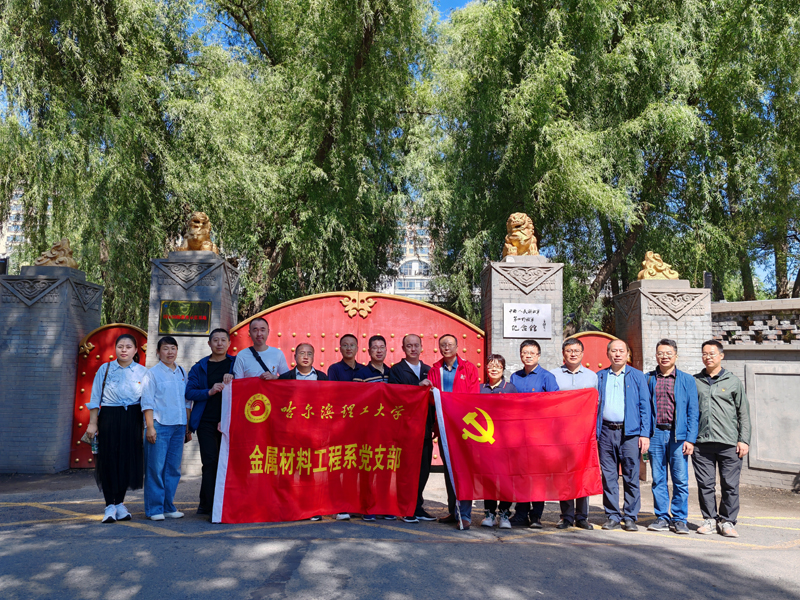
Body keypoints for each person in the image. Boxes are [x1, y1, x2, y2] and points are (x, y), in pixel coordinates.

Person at [85, 334, 147, 523]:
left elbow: (147, 401)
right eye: (120, 346)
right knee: (109, 460)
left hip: (133, 418)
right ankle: (109, 506)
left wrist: (148, 425)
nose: (124, 350)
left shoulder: (143, 372)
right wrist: (93, 423)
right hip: (109, 417)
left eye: (128, 346)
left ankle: (120, 503)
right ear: (115, 349)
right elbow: (95, 397)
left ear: (135, 350)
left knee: (127, 460)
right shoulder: (105, 369)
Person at [692, 340, 751, 538]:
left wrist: (744, 439)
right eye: (704, 354)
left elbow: (743, 413)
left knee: (730, 485)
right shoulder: (695, 381)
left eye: (712, 353)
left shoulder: (733, 381)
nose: (707, 357)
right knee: (705, 484)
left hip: (729, 443)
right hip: (702, 443)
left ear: (721, 356)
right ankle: (709, 519)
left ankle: (727, 521)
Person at [596, 339, 652, 532]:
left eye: (621, 351)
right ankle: (612, 515)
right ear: (608, 354)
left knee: (631, 475)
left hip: (630, 434)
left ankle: (630, 516)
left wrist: (644, 434)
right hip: (606, 432)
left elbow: (645, 407)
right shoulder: (600, 376)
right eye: (614, 351)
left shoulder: (637, 376)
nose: (618, 354)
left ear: (627, 354)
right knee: (609, 476)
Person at [644, 339, 699, 535]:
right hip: (656, 434)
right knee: (658, 479)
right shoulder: (648, 379)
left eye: (668, 353)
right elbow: (644, 409)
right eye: (660, 353)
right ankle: (661, 517)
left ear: (676, 355)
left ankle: (679, 519)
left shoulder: (687, 380)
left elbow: (693, 411)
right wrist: (645, 435)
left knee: (680, 479)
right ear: (656, 356)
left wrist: (690, 439)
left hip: (678, 435)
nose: (664, 357)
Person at [427, 334, 480, 530]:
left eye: (450, 344)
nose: (446, 347)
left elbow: (473, 398)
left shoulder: (469, 368)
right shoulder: (435, 370)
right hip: (444, 427)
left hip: (464, 428)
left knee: (463, 471)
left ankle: (465, 515)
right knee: (449, 469)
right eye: (443, 344)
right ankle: (454, 510)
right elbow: (431, 399)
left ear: (457, 347)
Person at [509, 340, 560, 528]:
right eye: (525, 352)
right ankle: (521, 513)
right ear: (520, 355)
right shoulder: (515, 377)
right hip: (519, 435)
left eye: (532, 352)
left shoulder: (547, 377)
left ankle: (536, 515)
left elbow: (555, 404)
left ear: (538, 355)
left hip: (540, 435)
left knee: (538, 476)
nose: (528, 355)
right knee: (521, 474)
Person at [186, 328, 236, 516]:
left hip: (229, 421)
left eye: (223, 340)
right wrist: (209, 391)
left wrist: (234, 379)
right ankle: (208, 505)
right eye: (215, 340)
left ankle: (223, 502)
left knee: (228, 462)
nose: (219, 343)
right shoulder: (199, 367)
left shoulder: (235, 364)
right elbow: (189, 392)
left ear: (229, 343)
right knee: (210, 461)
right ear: (209, 344)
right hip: (206, 421)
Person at [551, 338, 598, 530]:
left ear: (582, 353)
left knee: (583, 474)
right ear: (563, 353)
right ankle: (566, 516)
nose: (573, 354)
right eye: (569, 350)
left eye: (576, 351)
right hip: (561, 433)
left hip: (584, 434)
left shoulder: (592, 377)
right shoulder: (553, 375)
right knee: (565, 475)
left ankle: (582, 516)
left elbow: (596, 404)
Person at [142, 336, 190, 521]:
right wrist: (150, 427)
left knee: (173, 469)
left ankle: (169, 506)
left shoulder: (182, 372)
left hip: (179, 426)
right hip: (159, 426)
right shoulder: (152, 374)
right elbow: (147, 402)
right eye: (165, 348)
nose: (170, 352)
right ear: (158, 352)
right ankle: (154, 509)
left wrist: (187, 426)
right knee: (156, 469)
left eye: (173, 348)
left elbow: (187, 401)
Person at [279, 344, 327, 521]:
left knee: (310, 472)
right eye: (302, 353)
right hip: (290, 432)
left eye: (309, 354)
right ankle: (288, 508)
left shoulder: (322, 378)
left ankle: (311, 508)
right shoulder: (285, 378)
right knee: (287, 472)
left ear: (314, 357)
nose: (305, 357)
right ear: (295, 357)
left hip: (313, 432)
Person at [388, 334, 433, 523]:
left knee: (424, 470)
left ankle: (417, 506)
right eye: (409, 346)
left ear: (421, 347)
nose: (413, 349)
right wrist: (417, 387)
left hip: (425, 429)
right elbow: (396, 396)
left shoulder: (429, 370)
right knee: (407, 471)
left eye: (416, 345)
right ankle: (406, 508)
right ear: (403, 348)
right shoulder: (397, 370)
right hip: (405, 429)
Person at [353, 335, 393, 521]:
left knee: (386, 468)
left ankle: (384, 506)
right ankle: (368, 507)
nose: (378, 350)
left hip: (388, 429)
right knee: (368, 469)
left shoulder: (393, 373)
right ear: (368, 351)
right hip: (368, 429)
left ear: (386, 350)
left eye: (381, 347)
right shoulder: (361, 374)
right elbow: (356, 401)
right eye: (375, 347)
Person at [479, 354, 517, 529]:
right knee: (488, 478)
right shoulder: (480, 389)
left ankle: (504, 514)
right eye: (490, 366)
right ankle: (489, 513)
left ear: (503, 369)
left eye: (498, 366)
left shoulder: (510, 388)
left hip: (506, 442)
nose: (494, 369)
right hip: (485, 442)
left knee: (506, 479)